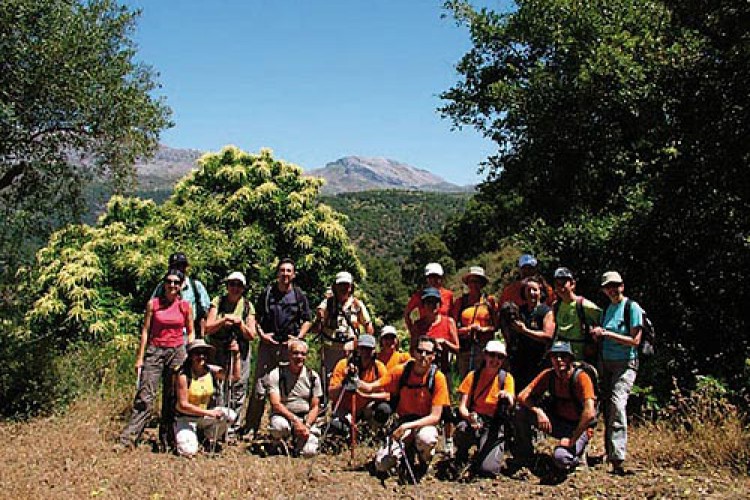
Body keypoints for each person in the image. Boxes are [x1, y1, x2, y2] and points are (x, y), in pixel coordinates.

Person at [119, 269, 194, 449]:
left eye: (176, 282)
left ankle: (167, 439)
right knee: (145, 395)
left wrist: (189, 352)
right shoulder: (153, 305)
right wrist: (140, 357)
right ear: (164, 283)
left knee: (172, 397)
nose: (172, 285)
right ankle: (129, 439)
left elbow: (190, 331)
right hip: (155, 350)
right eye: (169, 281)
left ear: (181, 285)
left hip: (177, 351)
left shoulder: (185, 306)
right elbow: (145, 331)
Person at [358, 336, 451, 478]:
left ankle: (424, 461)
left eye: (427, 353)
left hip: (423, 424)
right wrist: (354, 380)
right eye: (420, 351)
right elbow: (370, 387)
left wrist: (407, 427)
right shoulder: (401, 371)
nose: (423, 356)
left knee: (427, 439)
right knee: (381, 465)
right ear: (414, 353)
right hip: (403, 423)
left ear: (433, 356)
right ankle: (406, 450)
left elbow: (435, 417)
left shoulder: (438, 378)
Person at [244, 258, 312, 437]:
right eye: (282, 270)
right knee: (259, 388)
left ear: (294, 274)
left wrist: (298, 339)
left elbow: (307, 319)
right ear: (277, 273)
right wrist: (262, 335)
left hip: (289, 350)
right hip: (268, 346)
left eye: (289, 271)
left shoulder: (299, 295)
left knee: (286, 389)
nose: (285, 274)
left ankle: (286, 428)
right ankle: (251, 428)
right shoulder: (267, 293)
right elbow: (256, 317)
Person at [515, 341, 597, 474]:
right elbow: (522, 396)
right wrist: (538, 411)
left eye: (563, 356)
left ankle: (577, 456)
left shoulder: (581, 378)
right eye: (554, 356)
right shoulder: (549, 375)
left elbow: (590, 413)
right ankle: (526, 455)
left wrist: (572, 440)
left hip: (579, 428)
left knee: (561, 459)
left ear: (570, 358)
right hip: (558, 422)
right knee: (519, 411)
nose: (559, 360)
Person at [590, 271, 642, 475]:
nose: (612, 289)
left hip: (625, 363)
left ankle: (618, 457)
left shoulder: (632, 307)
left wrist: (607, 333)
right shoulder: (608, 309)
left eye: (615, 285)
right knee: (606, 407)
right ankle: (609, 452)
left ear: (622, 286)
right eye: (608, 286)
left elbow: (635, 341)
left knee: (618, 404)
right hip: (606, 363)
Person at [204, 271, 256, 430]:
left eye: (239, 285)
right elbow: (208, 328)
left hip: (240, 350)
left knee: (238, 388)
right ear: (227, 286)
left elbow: (251, 334)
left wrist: (240, 324)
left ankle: (233, 427)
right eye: (232, 284)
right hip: (218, 349)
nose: (235, 288)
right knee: (217, 386)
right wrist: (224, 320)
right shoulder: (218, 302)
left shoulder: (247, 306)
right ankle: (214, 425)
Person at [454, 340, 515, 477]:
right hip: (475, 419)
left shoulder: (506, 378)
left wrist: (507, 397)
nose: (495, 360)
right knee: (462, 429)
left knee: (488, 470)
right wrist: (469, 417)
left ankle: (485, 454)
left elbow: (511, 400)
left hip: (494, 424)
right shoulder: (473, 376)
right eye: (492, 355)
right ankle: (461, 454)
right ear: (485, 356)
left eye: (500, 357)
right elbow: (462, 406)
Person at [173, 339, 241, 457]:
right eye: (197, 353)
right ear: (190, 356)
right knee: (187, 451)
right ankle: (183, 435)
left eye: (204, 353)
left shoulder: (210, 370)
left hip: (204, 416)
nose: (201, 357)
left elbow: (234, 377)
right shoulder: (183, 375)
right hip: (186, 418)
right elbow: (182, 405)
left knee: (230, 415)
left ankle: (206, 437)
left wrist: (236, 355)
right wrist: (209, 413)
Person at [316, 271, 374, 394]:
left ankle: (347, 404)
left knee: (349, 376)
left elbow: (368, 325)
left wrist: (367, 345)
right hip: (330, 347)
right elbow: (319, 319)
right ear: (335, 287)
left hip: (350, 348)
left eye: (346, 285)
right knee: (328, 377)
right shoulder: (328, 303)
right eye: (340, 285)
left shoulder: (357, 305)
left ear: (351, 287)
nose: (344, 288)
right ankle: (326, 404)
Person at [267, 339, 323, 457]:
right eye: (295, 353)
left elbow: (315, 406)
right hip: (284, 416)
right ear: (289, 355)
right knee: (279, 428)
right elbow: (275, 404)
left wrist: (306, 425)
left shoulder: (313, 376)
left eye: (303, 354)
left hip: (305, 418)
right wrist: (295, 420)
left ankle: (298, 444)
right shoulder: (276, 373)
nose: (299, 357)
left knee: (309, 452)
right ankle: (279, 443)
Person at [328, 334, 391, 437]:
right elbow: (331, 393)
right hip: (345, 409)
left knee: (384, 409)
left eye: (368, 349)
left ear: (374, 350)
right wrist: (344, 382)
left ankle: (370, 432)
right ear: (357, 349)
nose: (365, 353)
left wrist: (367, 395)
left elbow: (388, 395)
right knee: (336, 427)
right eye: (362, 348)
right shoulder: (343, 364)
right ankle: (348, 433)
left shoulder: (378, 367)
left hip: (366, 409)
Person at [503, 276, 555, 390]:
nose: (532, 293)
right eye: (528, 290)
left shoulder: (546, 311)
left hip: (539, 361)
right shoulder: (519, 310)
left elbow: (547, 336)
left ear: (540, 292)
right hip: (519, 360)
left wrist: (525, 331)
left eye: (535, 290)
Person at [452, 266, 498, 378]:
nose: (474, 284)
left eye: (477, 281)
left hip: (484, 347)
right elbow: (452, 327)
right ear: (467, 283)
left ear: (482, 284)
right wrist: (468, 329)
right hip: (465, 347)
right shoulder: (460, 302)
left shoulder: (490, 302)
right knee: (465, 378)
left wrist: (483, 329)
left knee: (483, 377)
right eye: (471, 281)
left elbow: (496, 325)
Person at [151, 252, 210, 338]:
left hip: (191, 333)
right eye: (175, 266)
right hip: (166, 334)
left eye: (181, 266)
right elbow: (152, 309)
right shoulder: (163, 286)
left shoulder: (196, 286)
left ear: (185, 267)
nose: (178, 269)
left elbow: (206, 312)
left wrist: (203, 334)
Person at [552, 267, 601, 364]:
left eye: (563, 283)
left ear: (572, 284)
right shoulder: (556, 306)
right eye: (557, 284)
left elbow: (603, 321)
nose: (561, 288)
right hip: (561, 358)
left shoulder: (584, 305)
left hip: (580, 358)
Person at [408, 287, 459, 379]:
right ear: (423, 305)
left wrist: (444, 343)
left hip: (443, 370)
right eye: (428, 302)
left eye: (435, 302)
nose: (432, 305)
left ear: (440, 304)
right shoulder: (418, 325)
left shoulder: (449, 322)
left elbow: (457, 349)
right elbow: (412, 350)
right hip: (423, 372)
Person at [404, 262, 454, 333]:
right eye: (430, 277)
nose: (433, 280)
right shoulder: (419, 295)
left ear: (441, 277)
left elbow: (451, 315)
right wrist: (412, 330)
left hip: (444, 332)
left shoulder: (448, 295)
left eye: (436, 277)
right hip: (426, 332)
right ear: (426, 278)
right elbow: (407, 313)